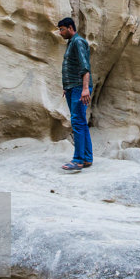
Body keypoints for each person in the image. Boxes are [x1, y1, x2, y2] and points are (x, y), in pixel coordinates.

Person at [56, 17, 93, 171]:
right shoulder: (71, 43)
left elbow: (85, 67)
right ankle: (87, 158)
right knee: (81, 123)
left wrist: (85, 89)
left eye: (62, 29)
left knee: (77, 122)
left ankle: (78, 160)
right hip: (73, 87)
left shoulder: (78, 42)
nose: (60, 33)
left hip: (79, 88)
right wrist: (67, 86)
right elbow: (72, 66)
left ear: (70, 28)